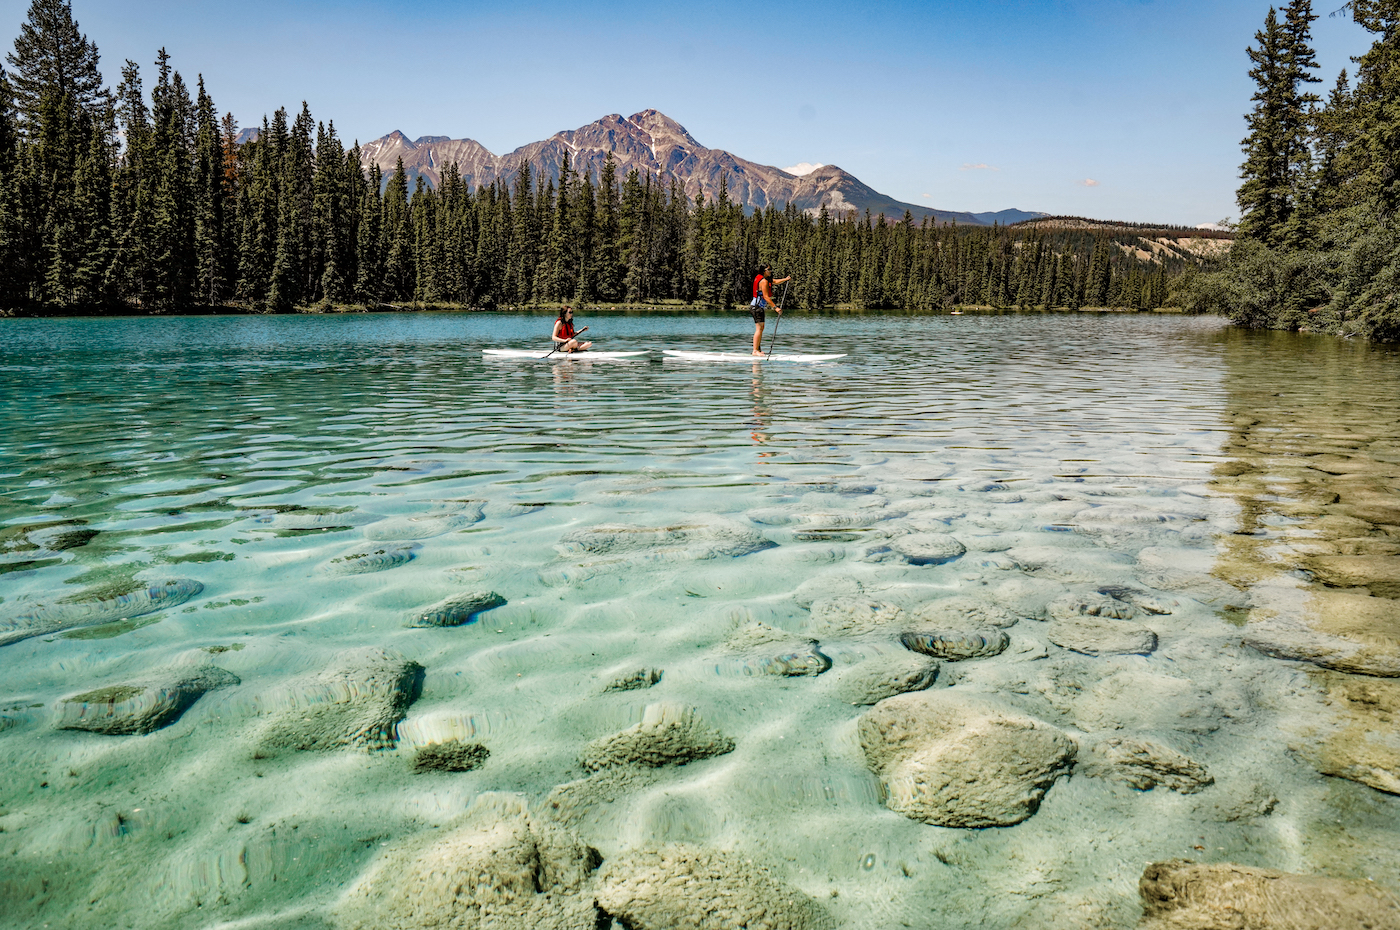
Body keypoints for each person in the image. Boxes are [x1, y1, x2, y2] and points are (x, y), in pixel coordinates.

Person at [750, 265, 791, 356]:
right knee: (759, 329)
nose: (770, 271)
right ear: (764, 271)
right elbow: (766, 297)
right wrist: (775, 307)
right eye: (768, 270)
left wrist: (785, 279)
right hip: (756, 307)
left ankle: (758, 349)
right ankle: (755, 351)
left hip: (757, 307)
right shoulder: (763, 281)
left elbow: (775, 281)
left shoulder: (764, 279)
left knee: (761, 328)